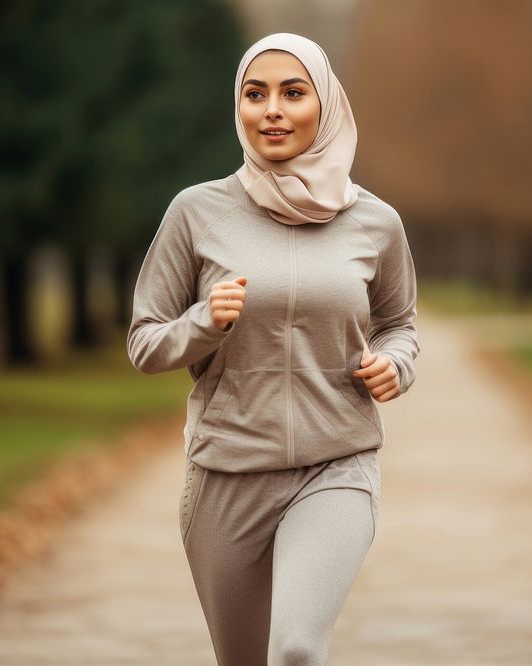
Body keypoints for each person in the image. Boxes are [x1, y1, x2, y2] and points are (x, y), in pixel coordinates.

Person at [127, 32, 420, 665]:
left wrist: (395, 364)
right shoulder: (196, 212)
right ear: (239, 109)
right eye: (255, 95)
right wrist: (204, 322)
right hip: (225, 473)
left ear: (327, 104)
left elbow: (401, 325)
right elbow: (145, 342)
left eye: (293, 92)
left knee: (294, 651)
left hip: (335, 463)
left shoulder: (375, 222)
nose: (273, 110)